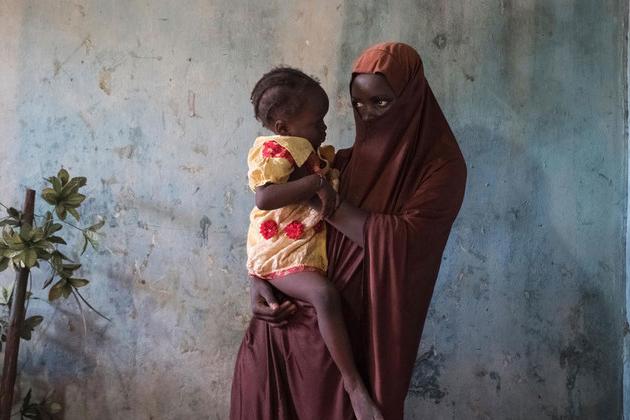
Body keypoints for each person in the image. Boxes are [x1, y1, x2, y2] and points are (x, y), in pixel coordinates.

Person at [231, 42, 467, 420]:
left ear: (410, 99)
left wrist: (325, 201)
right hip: (281, 334)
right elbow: (274, 221)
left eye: (381, 102)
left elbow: (410, 245)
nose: (367, 114)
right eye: (358, 103)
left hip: (351, 354)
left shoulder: (440, 171)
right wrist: (257, 278)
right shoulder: (338, 163)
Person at [245, 67, 383, 420]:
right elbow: (264, 198)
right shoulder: (276, 151)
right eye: (316, 122)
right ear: (283, 127)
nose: (324, 128)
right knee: (323, 295)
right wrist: (316, 185)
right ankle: (353, 384)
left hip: (292, 248)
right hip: (280, 253)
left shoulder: (308, 152)